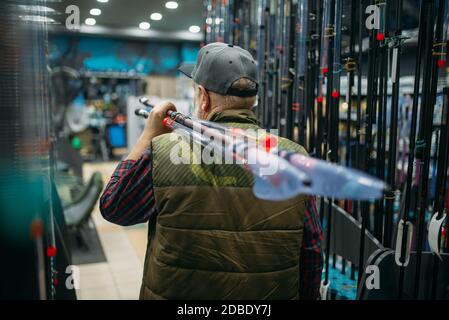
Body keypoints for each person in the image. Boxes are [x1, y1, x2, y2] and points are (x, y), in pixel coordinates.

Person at [100, 42, 323, 300]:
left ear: (203, 97)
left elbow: (114, 207)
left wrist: (147, 137)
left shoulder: (162, 151)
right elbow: (311, 251)